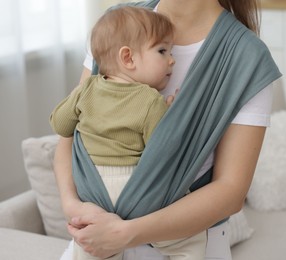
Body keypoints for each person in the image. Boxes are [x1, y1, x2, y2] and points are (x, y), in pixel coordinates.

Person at [54, 0, 281, 259]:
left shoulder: (246, 57)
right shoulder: (118, 24)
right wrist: (73, 207)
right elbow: (70, 133)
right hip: (93, 238)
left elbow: (231, 191)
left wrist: (126, 233)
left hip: (185, 244)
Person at [50, 6, 207, 260]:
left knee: (91, 247)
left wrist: (76, 102)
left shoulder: (86, 89)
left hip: (93, 192)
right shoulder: (149, 100)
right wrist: (171, 118)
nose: (172, 60)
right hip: (136, 187)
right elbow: (162, 153)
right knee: (190, 241)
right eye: (162, 51)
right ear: (128, 58)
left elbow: (60, 125)